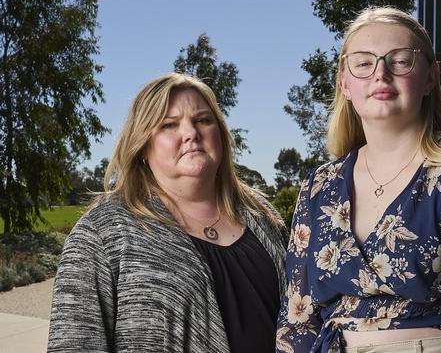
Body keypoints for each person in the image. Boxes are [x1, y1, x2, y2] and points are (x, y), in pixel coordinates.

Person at [276, 7, 441, 353]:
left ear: (430, 78)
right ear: (344, 84)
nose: (381, 74)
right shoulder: (319, 185)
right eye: (363, 63)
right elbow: (296, 318)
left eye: (401, 60)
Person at [48, 73, 287, 352]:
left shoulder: (262, 215)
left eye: (203, 120)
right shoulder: (102, 233)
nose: (191, 133)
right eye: (169, 125)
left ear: (220, 134)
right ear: (142, 148)